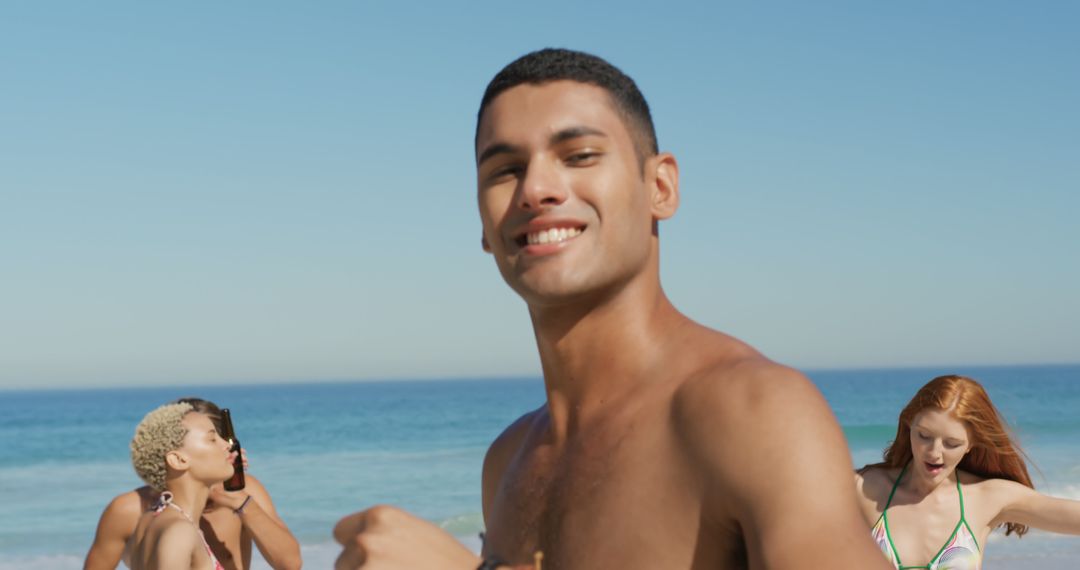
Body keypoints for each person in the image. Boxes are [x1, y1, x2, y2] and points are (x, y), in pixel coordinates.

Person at [334, 48, 891, 569]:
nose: (536, 189)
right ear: (483, 225)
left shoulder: (752, 412)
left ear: (661, 187)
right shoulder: (507, 461)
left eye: (579, 156)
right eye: (504, 170)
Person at [856, 374, 1080, 569]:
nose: (934, 452)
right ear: (908, 426)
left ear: (971, 443)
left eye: (951, 443)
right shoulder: (865, 488)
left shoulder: (987, 498)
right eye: (924, 436)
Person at [85, 398, 301, 570]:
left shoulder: (157, 515)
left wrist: (236, 498)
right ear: (178, 458)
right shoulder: (139, 514)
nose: (229, 447)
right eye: (211, 439)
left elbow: (290, 564)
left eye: (221, 437)